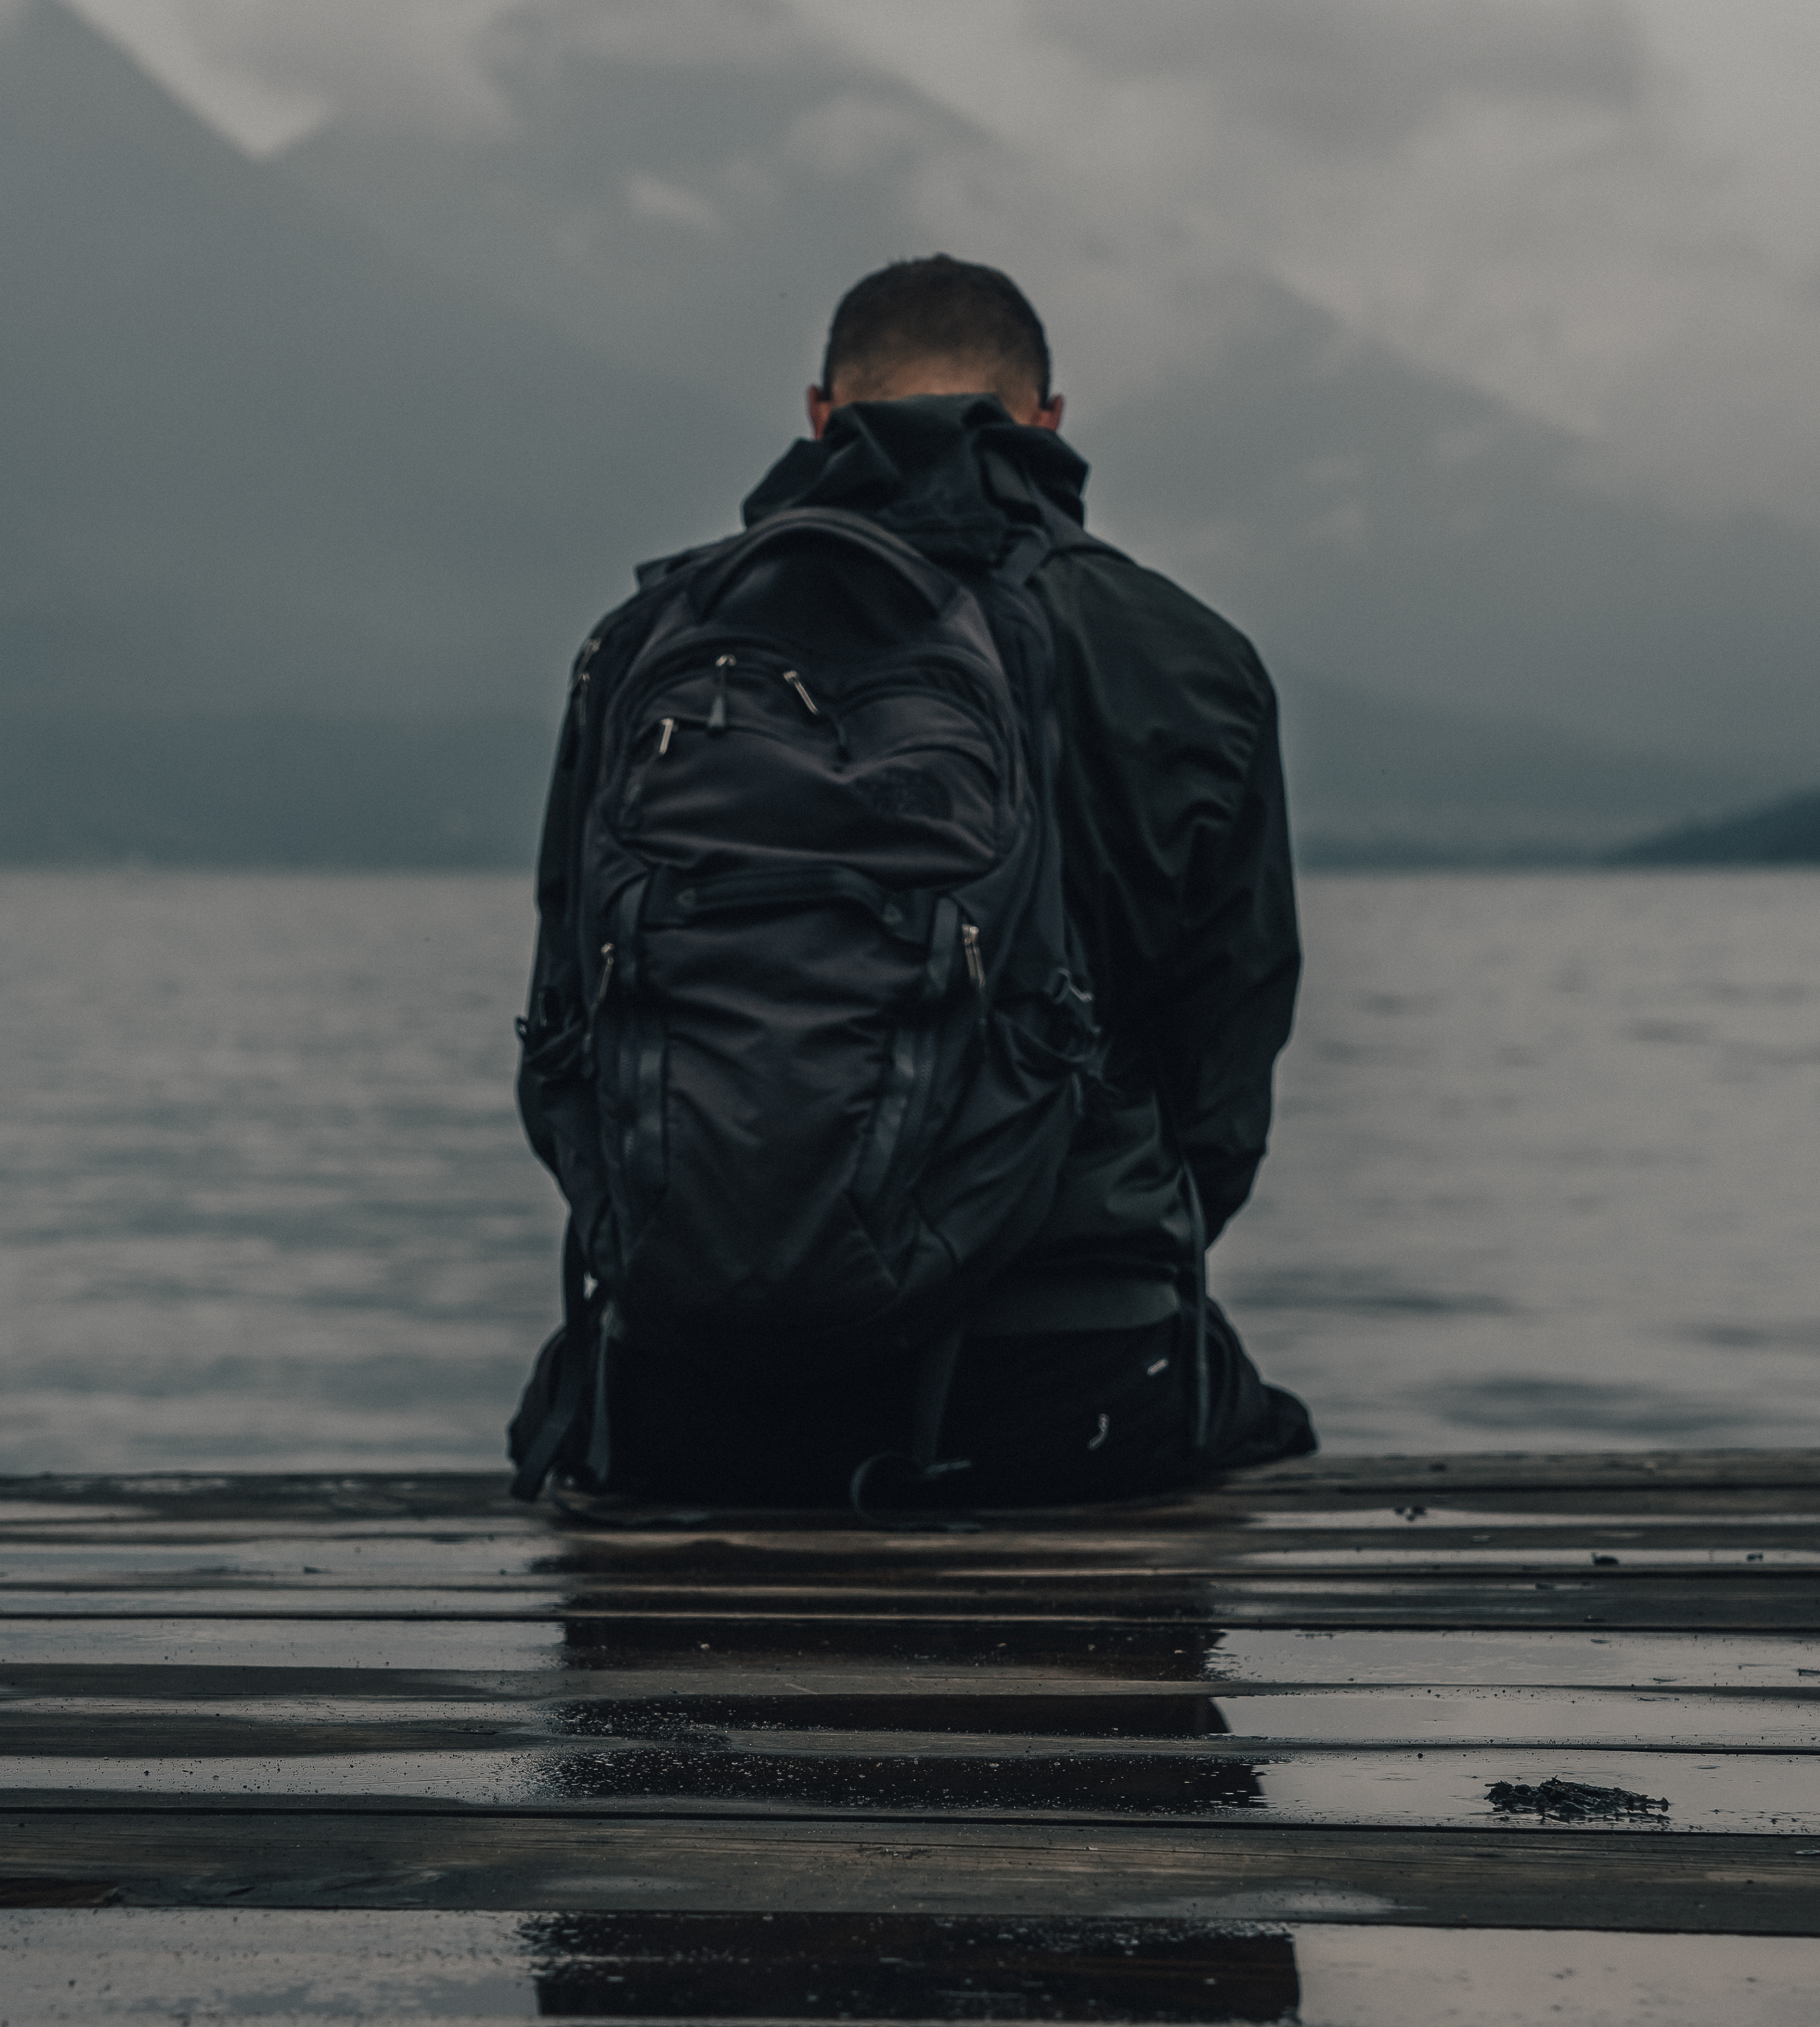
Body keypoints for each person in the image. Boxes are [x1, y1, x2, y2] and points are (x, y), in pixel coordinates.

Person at [512, 255, 1313, 1507]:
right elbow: (1220, 1087)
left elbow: (566, 1028)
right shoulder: (1186, 657)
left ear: (823, 414)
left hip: (695, 1397)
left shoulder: (645, 646)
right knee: (1258, 1434)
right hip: (1065, 1391)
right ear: (1046, 422)